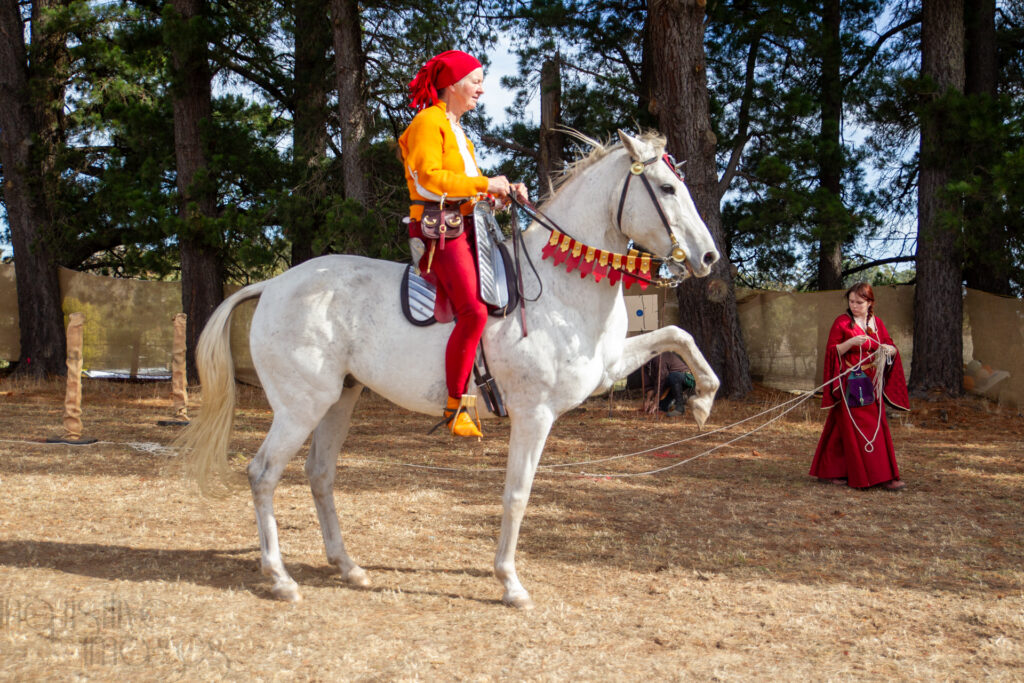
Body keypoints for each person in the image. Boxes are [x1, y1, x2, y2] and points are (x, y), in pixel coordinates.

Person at [399, 50, 527, 438]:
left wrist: (501, 194)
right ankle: (456, 407)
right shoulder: (428, 122)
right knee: (472, 311)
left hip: (465, 225)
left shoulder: (459, 133)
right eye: (476, 81)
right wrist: (485, 183)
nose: (482, 89)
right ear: (453, 85)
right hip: (439, 231)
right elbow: (427, 181)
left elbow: (467, 192)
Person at [809, 282, 910, 490]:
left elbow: (891, 345)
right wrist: (851, 343)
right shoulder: (842, 322)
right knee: (866, 425)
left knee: (844, 425)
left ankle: (831, 470)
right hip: (851, 382)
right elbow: (832, 351)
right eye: (851, 301)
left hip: (872, 381)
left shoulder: (877, 323)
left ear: (870, 303)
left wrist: (889, 350)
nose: (854, 306)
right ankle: (879, 476)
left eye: (859, 302)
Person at [641, 351, 694, 417]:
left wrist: (655, 401)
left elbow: (661, 380)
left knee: (673, 376)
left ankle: (680, 407)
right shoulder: (644, 364)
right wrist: (648, 400)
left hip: (687, 378)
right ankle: (676, 401)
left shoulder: (659, 357)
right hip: (671, 383)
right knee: (661, 407)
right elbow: (649, 385)